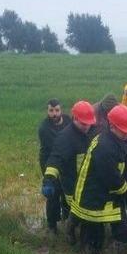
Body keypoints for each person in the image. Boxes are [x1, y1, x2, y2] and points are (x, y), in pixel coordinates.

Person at [70, 105, 127, 254]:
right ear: (112, 126)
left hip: (108, 195)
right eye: (124, 130)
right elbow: (114, 180)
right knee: (95, 236)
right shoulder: (104, 147)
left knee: (123, 231)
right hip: (93, 197)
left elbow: (125, 170)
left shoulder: (120, 141)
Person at [42, 100, 97, 244]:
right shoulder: (65, 138)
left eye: (89, 123)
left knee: (87, 216)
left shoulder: (93, 131)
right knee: (74, 211)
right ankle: (70, 232)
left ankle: (83, 239)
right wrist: (48, 180)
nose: (87, 127)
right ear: (75, 119)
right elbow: (55, 159)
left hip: (88, 183)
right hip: (71, 183)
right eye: (83, 124)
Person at [38, 99, 72, 233]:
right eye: (51, 111)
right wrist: (47, 175)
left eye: (57, 110)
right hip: (49, 162)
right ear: (47, 111)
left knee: (67, 194)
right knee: (53, 195)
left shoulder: (69, 121)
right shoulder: (44, 128)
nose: (54, 114)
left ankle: (67, 221)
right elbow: (51, 151)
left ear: (61, 110)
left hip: (68, 164)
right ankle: (52, 226)